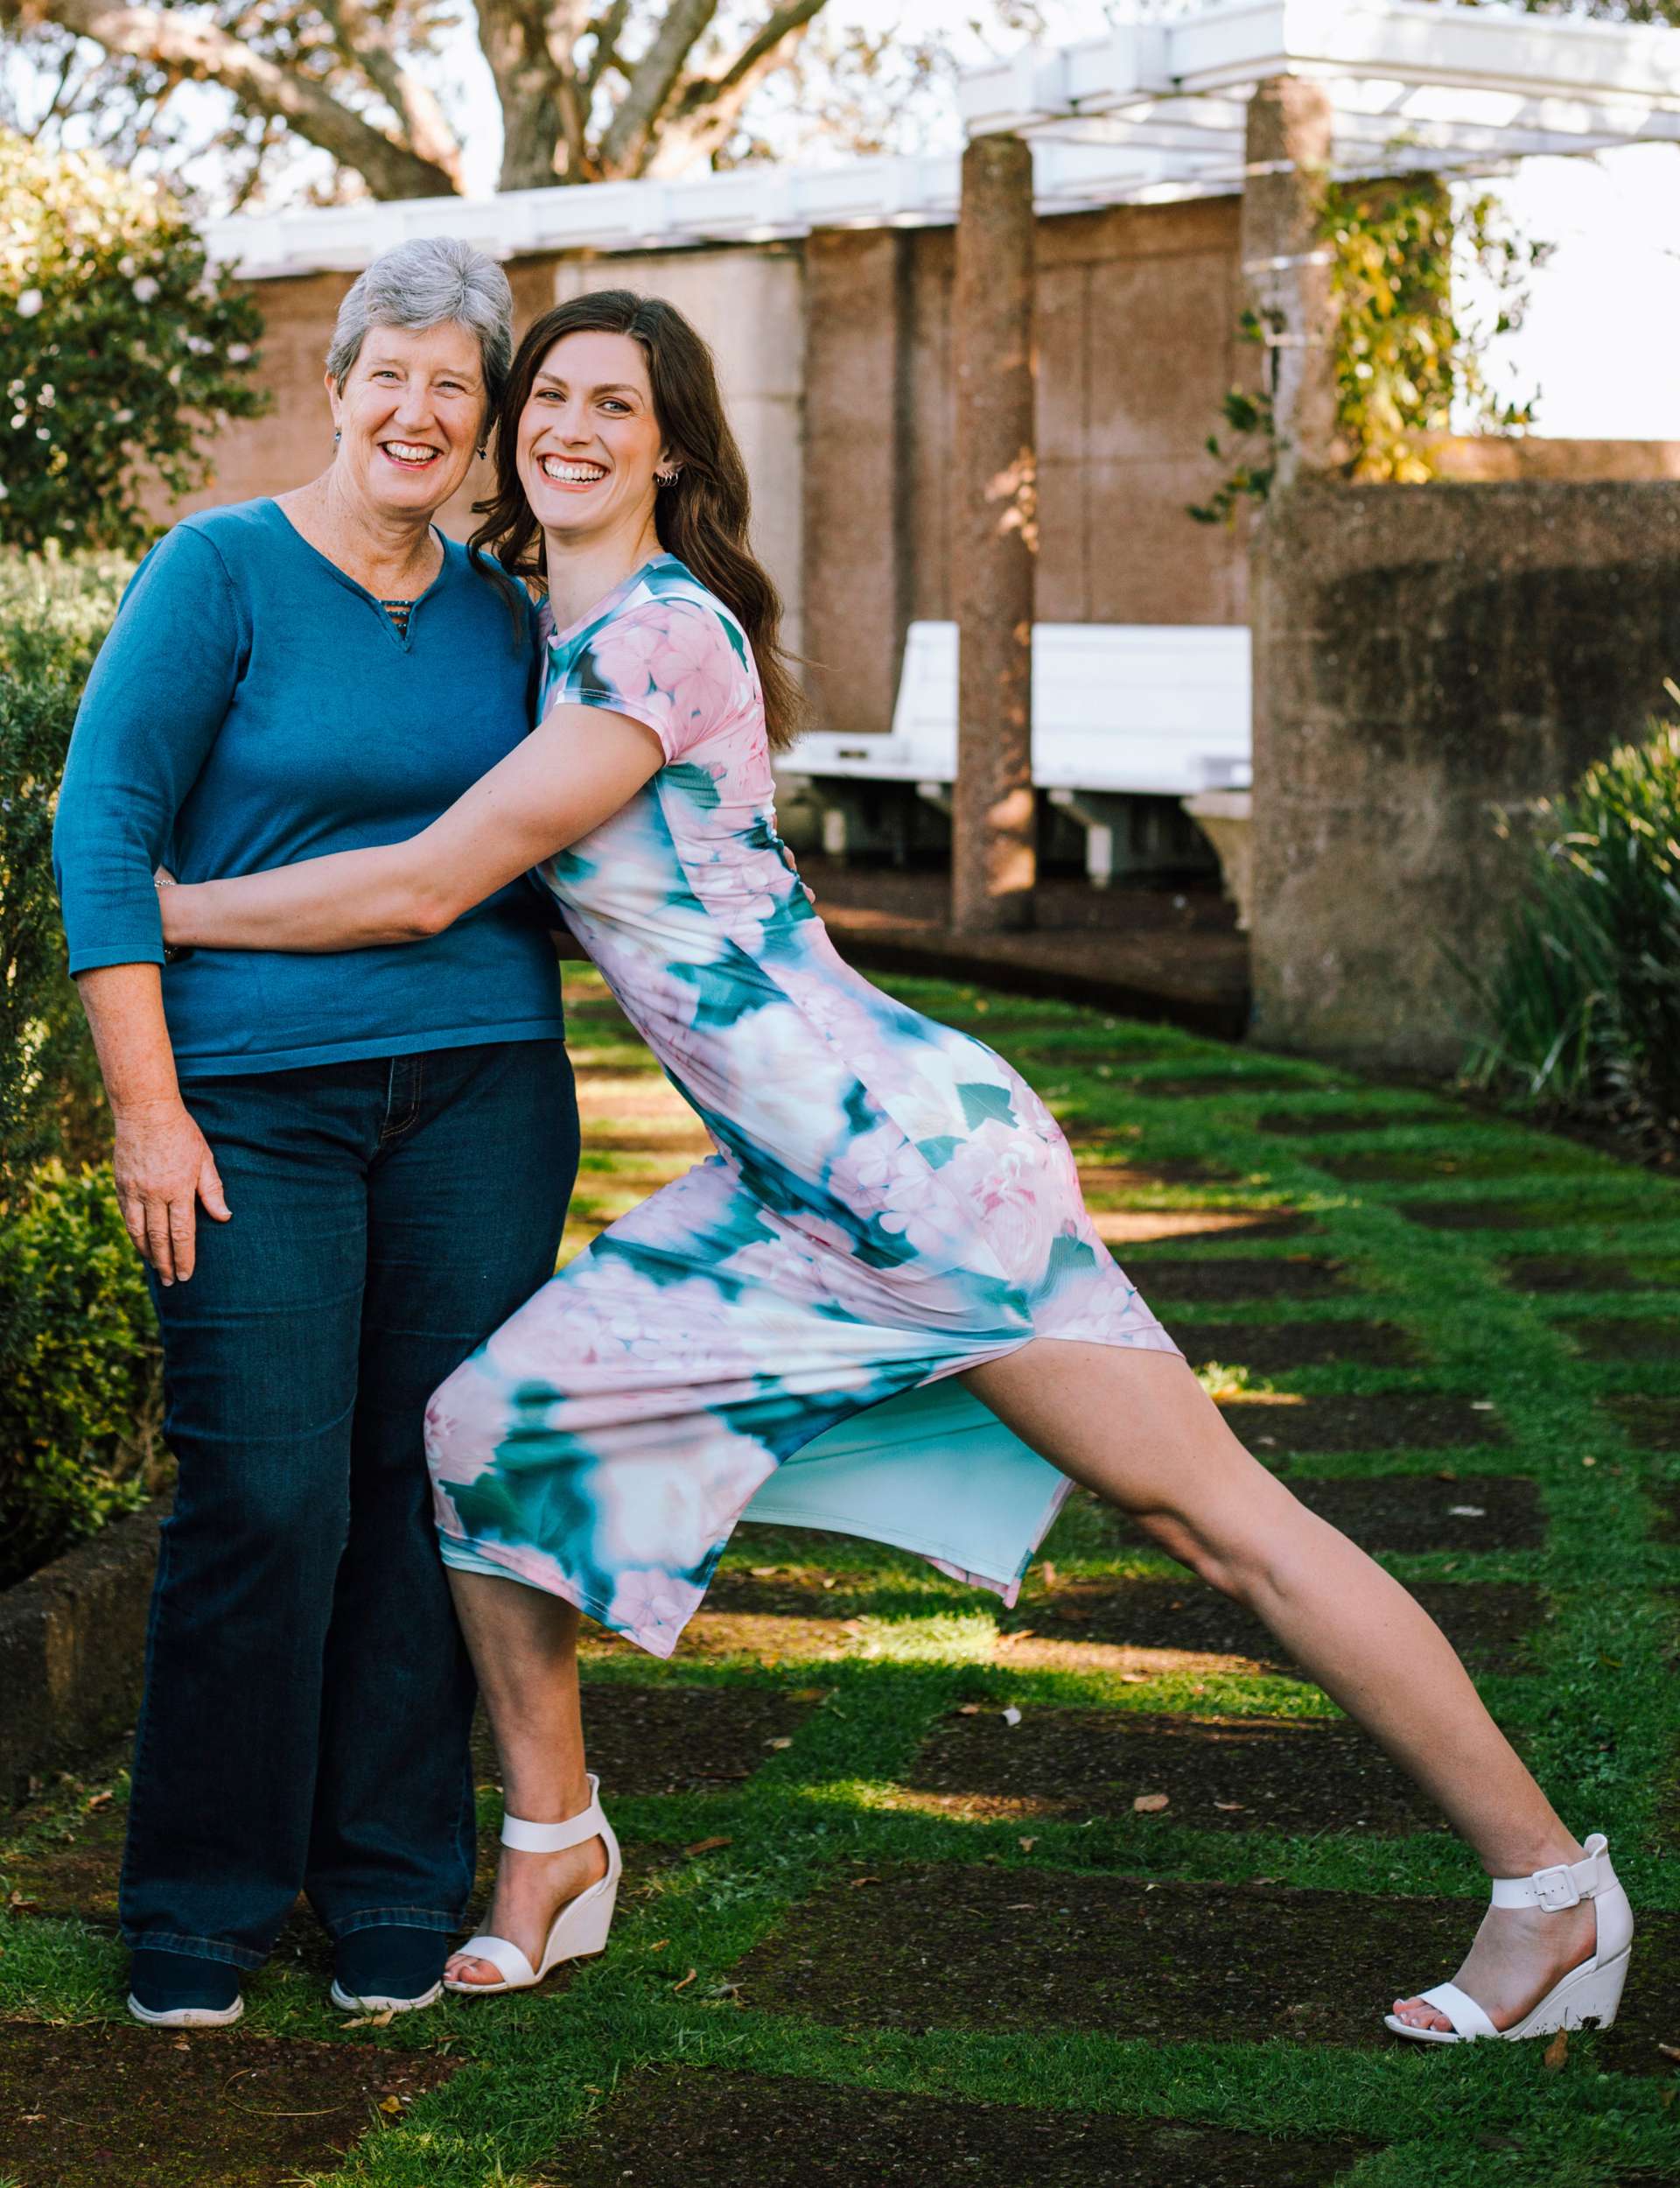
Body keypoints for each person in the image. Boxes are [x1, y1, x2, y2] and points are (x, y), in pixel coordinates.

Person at [155, 288, 1633, 2045]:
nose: (568, 427)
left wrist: (173, 909)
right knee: (484, 1428)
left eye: (615, 405)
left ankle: (1550, 1890)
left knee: (1220, 1526)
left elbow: (425, 885)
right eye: (548, 396)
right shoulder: (548, 632)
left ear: (674, 447)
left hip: (914, 1174)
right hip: (794, 1185)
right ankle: (556, 1840)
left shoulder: (660, 640)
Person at [52, 239, 577, 2030]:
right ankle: (200, 1899)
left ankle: (392, 1878)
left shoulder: (511, 617)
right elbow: (102, 827)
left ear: (485, 425)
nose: (419, 413)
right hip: (252, 1109)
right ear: (336, 387)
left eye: (455, 388)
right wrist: (147, 1106)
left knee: (428, 1487)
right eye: (391, 375)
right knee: (264, 1495)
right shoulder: (218, 572)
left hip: (486, 1095)